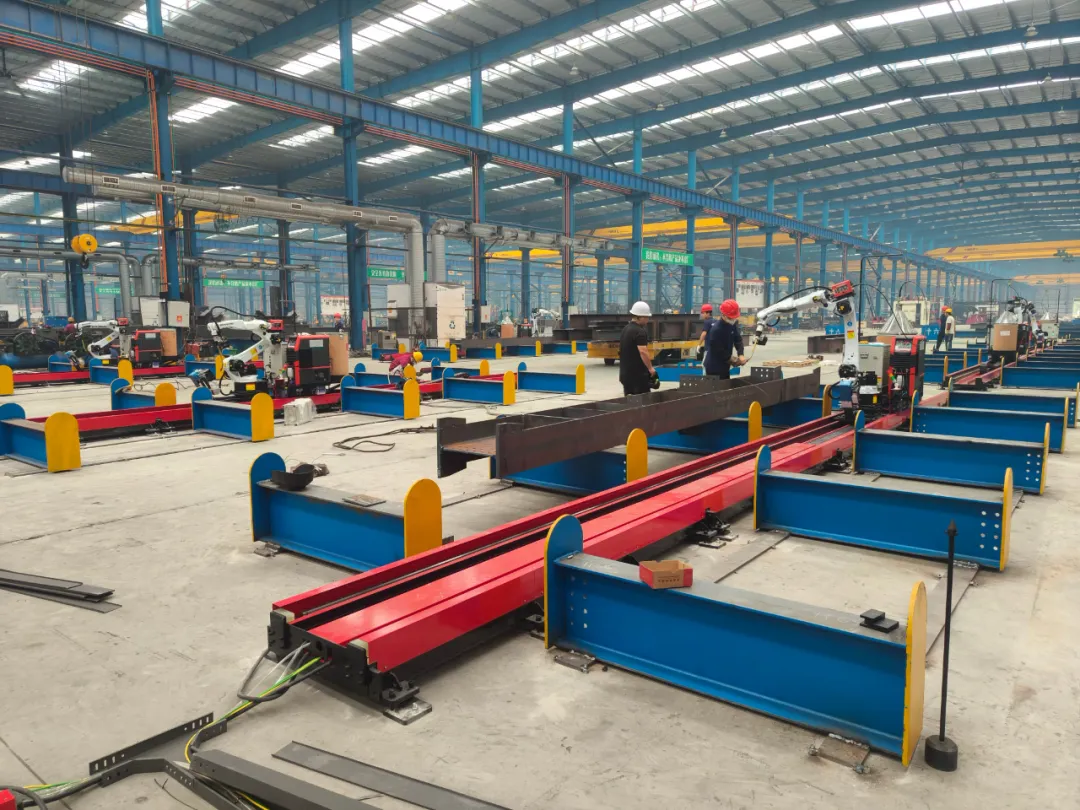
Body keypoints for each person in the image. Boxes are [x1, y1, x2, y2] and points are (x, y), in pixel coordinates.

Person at [619, 301, 658, 395]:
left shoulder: (625, 329)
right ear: (641, 317)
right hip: (638, 376)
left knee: (629, 400)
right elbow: (643, 352)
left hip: (625, 375)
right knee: (643, 401)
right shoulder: (640, 332)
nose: (648, 320)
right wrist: (651, 369)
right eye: (647, 317)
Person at [703, 299, 747, 379]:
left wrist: (741, 354)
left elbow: (738, 339)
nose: (733, 319)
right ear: (723, 315)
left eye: (734, 317)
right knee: (717, 386)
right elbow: (719, 351)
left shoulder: (732, 324)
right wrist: (734, 360)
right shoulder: (716, 330)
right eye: (731, 318)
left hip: (725, 366)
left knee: (726, 384)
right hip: (714, 367)